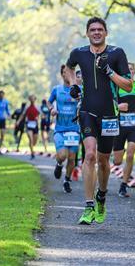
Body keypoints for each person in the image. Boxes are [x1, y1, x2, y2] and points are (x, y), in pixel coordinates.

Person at [65, 17, 132, 225]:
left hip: (109, 115)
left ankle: (101, 196)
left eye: (100, 30)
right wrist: (73, 85)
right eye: (92, 30)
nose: (96, 33)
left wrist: (109, 71)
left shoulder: (116, 53)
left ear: (106, 33)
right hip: (87, 112)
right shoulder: (79, 53)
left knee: (104, 161)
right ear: (87, 33)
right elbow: (68, 67)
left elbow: (128, 85)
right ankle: (88, 206)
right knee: (90, 155)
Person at [113, 62, 135, 197]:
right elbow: (111, 103)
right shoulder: (117, 86)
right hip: (119, 125)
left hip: (133, 125)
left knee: (130, 155)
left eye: (132, 69)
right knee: (117, 161)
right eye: (127, 69)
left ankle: (123, 185)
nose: (130, 71)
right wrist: (118, 106)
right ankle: (113, 152)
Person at [48, 65, 81, 193]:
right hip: (60, 129)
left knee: (72, 158)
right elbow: (49, 102)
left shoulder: (79, 89)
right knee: (62, 155)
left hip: (74, 129)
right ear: (62, 75)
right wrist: (52, 109)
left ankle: (67, 180)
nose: (68, 75)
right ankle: (59, 164)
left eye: (70, 73)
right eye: (65, 73)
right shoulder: (57, 89)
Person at [18, 95, 40, 159]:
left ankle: (31, 147)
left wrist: (38, 117)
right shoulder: (27, 107)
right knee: (31, 139)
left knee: (34, 142)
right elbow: (22, 115)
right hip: (28, 124)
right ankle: (32, 153)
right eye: (31, 99)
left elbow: (41, 115)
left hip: (35, 125)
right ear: (29, 100)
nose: (32, 100)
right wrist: (18, 121)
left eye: (33, 99)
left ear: (35, 99)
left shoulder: (38, 107)